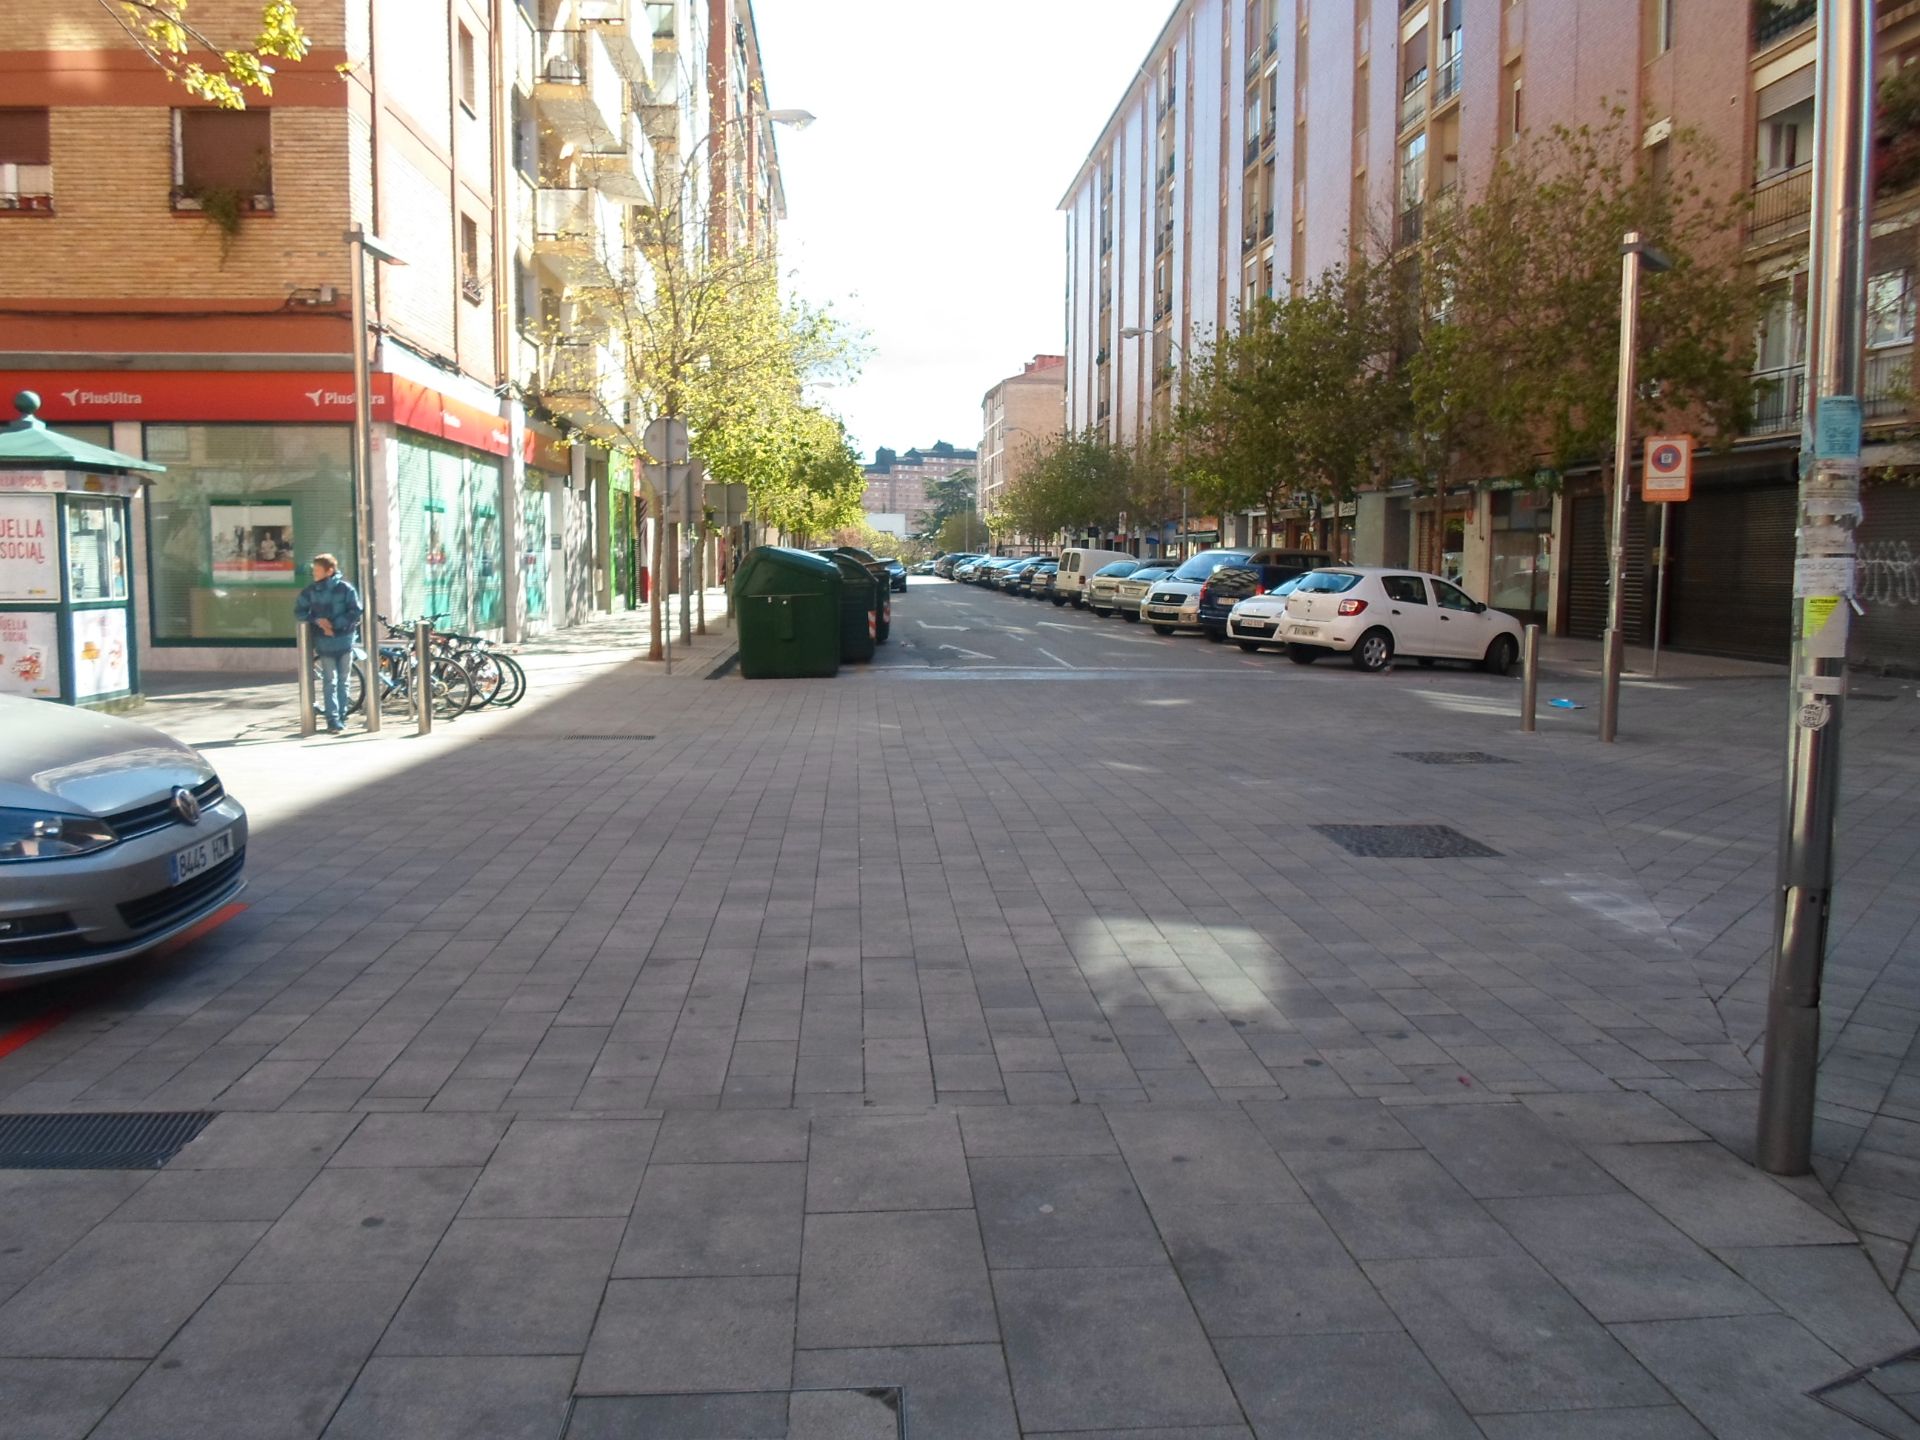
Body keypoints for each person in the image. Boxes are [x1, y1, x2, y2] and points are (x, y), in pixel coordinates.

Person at [293, 553, 362, 734]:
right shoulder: (310, 591)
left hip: (345, 640)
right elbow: (299, 610)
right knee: (329, 680)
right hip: (324, 642)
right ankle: (333, 720)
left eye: (317, 570)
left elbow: (355, 610)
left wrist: (335, 624)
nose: (314, 573)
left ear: (329, 570)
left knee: (343, 680)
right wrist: (317, 620)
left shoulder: (345, 589)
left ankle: (342, 715)